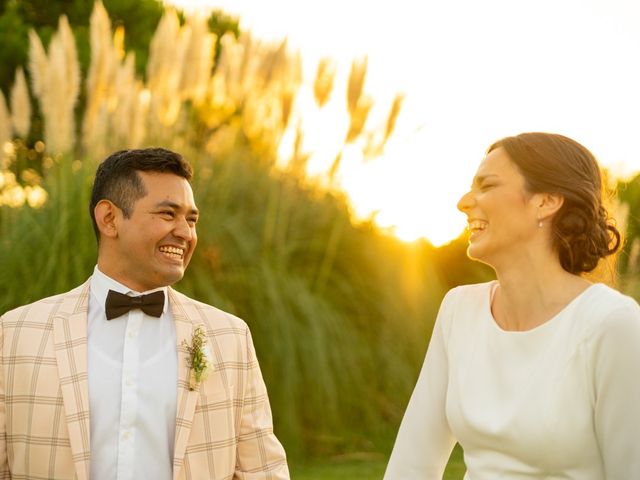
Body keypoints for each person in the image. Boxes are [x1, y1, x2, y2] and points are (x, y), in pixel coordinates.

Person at [0, 148, 289, 479]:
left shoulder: (230, 337)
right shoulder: (15, 334)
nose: (185, 232)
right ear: (109, 218)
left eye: (191, 219)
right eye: (168, 214)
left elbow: (263, 471)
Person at [384, 132, 640, 479]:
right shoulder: (459, 310)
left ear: (546, 202)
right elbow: (411, 467)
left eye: (486, 186)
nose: (464, 202)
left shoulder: (612, 324)